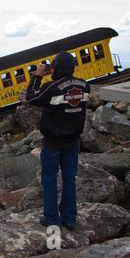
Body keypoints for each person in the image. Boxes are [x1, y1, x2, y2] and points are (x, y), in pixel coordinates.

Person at [25, 51, 90, 230]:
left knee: (50, 179)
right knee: (69, 180)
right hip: (73, 142)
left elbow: (30, 97)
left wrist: (38, 76)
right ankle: (70, 219)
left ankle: (52, 218)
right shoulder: (85, 86)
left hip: (53, 143)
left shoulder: (51, 87)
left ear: (56, 67)